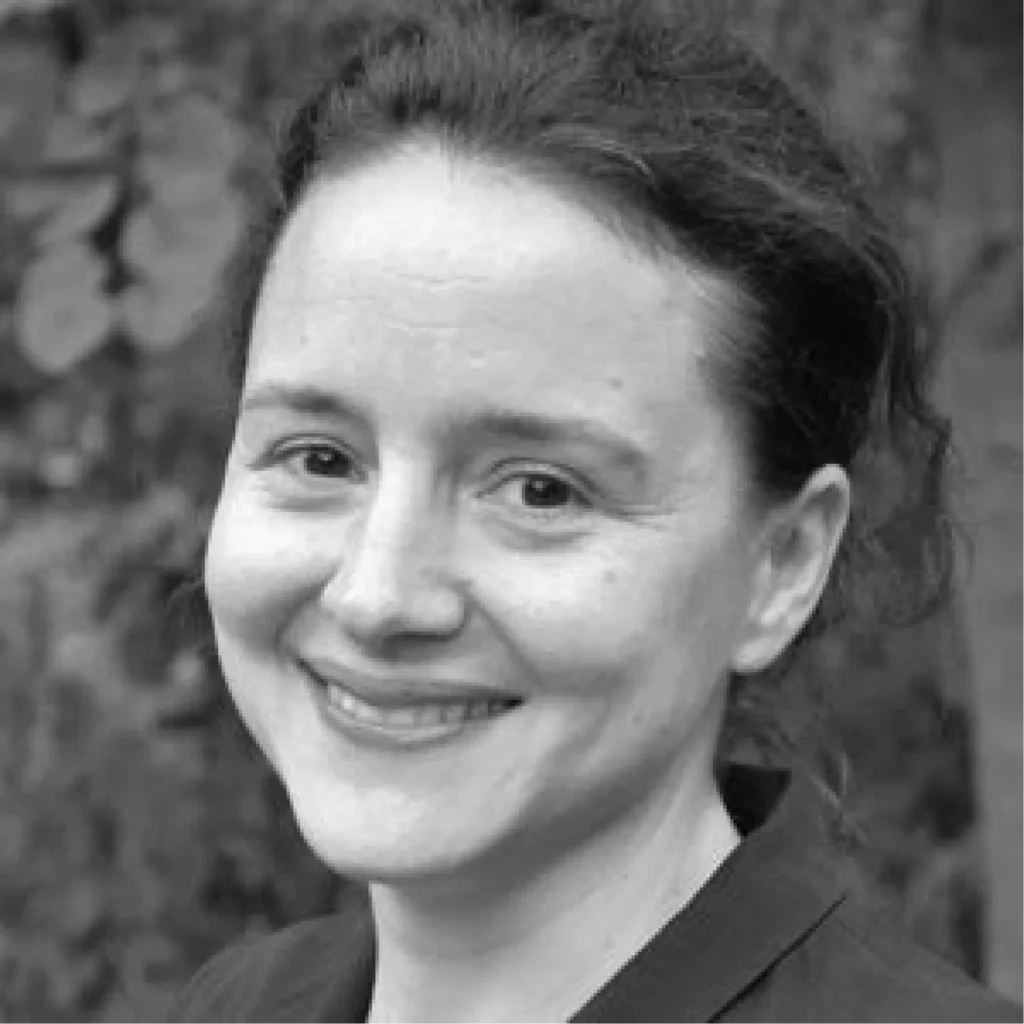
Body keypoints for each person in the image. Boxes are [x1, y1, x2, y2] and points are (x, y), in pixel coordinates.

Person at [166, 1, 1024, 1020]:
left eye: (541, 489)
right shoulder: (241, 1005)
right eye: (319, 458)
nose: (376, 596)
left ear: (783, 565)